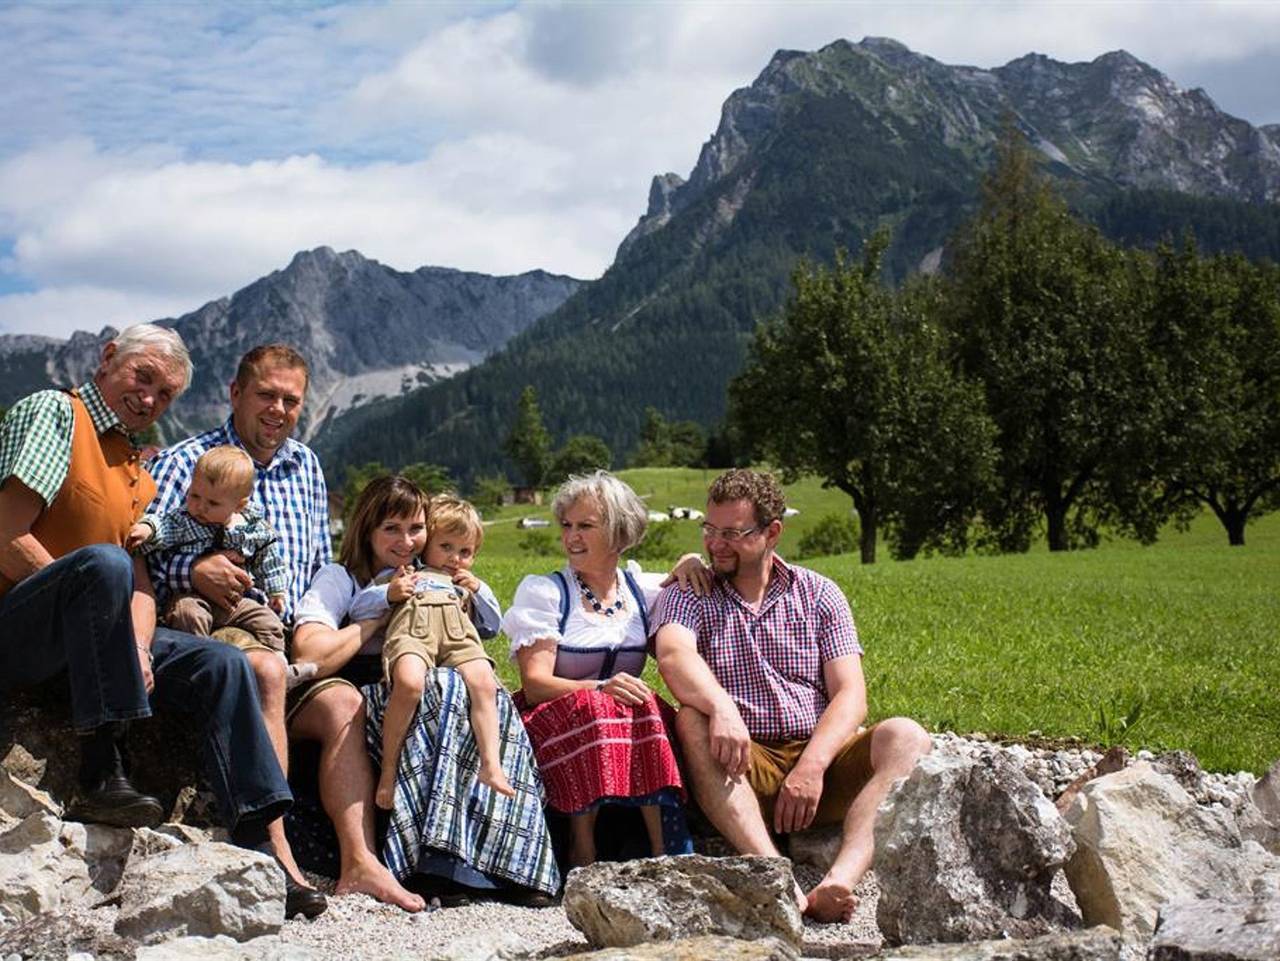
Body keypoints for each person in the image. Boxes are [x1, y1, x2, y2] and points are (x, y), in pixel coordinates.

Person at [0, 325, 324, 918]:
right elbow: (5, 535)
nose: (150, 399)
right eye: (141, 377)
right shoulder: (57, 414)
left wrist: (138, 646)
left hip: (91, 634)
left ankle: (262, 841)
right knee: (99, 566)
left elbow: (140, 577)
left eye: (166, 393)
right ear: (107, 360)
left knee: (223, 663)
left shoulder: (133, 463)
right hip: (17, 623)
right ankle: (103, 770)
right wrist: (96, 613)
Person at [146, 344, 421, 913]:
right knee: (268, 672)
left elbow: (324, 565)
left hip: (294, 633)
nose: (277, 409)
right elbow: (143, 554)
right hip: (213, 636)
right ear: (236, 393)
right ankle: (279, 856)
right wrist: (193, 568)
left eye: (290, 400)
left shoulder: (307, 466)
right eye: (265, 395)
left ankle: (360, 864)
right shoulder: (182, 462)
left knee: (344, 702)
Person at [653, 468, 933, 924]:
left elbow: (850, 694)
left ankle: (840, 879)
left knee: (906, 735)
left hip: (819, 758)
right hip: (744, 762)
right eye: (710, 530)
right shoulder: (692, 592)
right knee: (692, 718)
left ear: (772, 532)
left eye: (732, 533)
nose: (716, 543)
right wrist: (722, 706)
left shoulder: (820, 593)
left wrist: (813, 765)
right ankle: (775, 874)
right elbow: (672, 655)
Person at [292, 476, 560, 904]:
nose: (406, 541)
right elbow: (310, 651)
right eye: (391, 529)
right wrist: (380, 614)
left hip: (438, 677)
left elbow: (479, 630)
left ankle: (512, 860)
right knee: (443, 689)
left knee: (487, 689)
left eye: (415, 529)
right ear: (367, 529)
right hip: (372, 687)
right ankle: (431, 860)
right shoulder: (342, 578)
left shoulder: (432, 574)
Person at [504, 470, 707, 867]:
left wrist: (691, 559)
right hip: (553, 720)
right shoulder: (546, 592)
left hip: (622, 720)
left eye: (586, 526)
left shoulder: (639, 590)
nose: (571, 536)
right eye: (567, 525)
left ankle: (663, 845)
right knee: (602, 707)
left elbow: (683, 575)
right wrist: (598, 687)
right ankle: (582, 848)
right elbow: (535, 685)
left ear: (618, 532)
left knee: (644, 701)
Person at [345, 493, 513, 807]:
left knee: (484, 681)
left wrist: (480, 590)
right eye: (446, 547)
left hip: (458, 637)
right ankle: (389, 771)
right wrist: (390, 593)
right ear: (428, 543)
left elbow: (492, 625)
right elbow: (359, 607)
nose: (455, 559)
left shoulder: (464, 584)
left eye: (466, 552)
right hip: (413, 635)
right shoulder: (404, 572)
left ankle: (491, 764)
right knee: (408, 682)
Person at [128, 444, 315, 687]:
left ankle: (280, 664)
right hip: (190, 596)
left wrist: (276, 591)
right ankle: (201, 665)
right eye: (194, 496)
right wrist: (146, 529)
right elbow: (163, 525)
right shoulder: (186, 520)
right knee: (187, 614)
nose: (200, 507)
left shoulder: (252, 528)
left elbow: (269, 560)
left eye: (213, 503)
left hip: (234, 602)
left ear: (239, 505)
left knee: (266, 619)